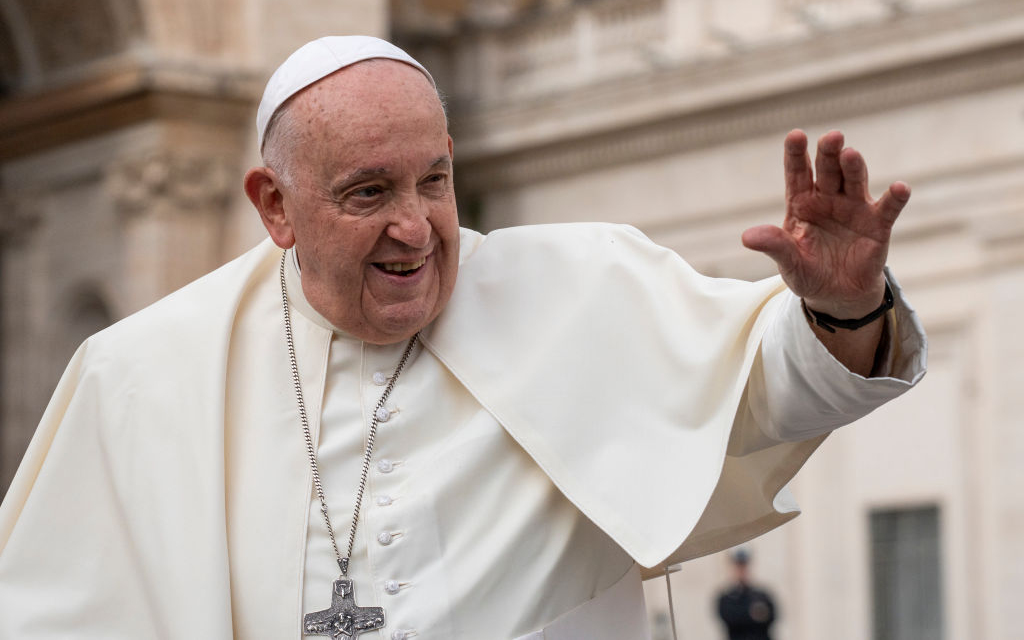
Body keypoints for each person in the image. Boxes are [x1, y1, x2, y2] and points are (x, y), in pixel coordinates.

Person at [0, 36, 926, 639]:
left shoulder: (581, 290)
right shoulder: (141, 378)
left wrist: (844, 307)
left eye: (434, 181)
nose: (415, 226)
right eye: (370, 192)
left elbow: (780, 384)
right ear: (274, 206)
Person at [716, 548, 777, 640]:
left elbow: (771, 617)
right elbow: (732, 619)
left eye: (744, 566)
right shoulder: (726, 598)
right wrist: (752, 614)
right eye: (738, 566)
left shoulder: (762, 595)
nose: (742, 571)